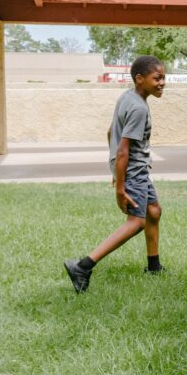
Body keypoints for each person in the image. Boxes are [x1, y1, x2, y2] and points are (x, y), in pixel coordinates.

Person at [64, 55, 166, 293]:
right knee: (136, 222)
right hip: (133, 169)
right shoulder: (139, 108)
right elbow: (123, 149)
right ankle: (83, 265)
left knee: (153, 211)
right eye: (157, 78)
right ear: (140, 79)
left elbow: (111, 133)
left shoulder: (128, 97)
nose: (162, 83)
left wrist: (115, 169)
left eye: (164, 78)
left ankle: (154, 266)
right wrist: (121, 185)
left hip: (130, 168)